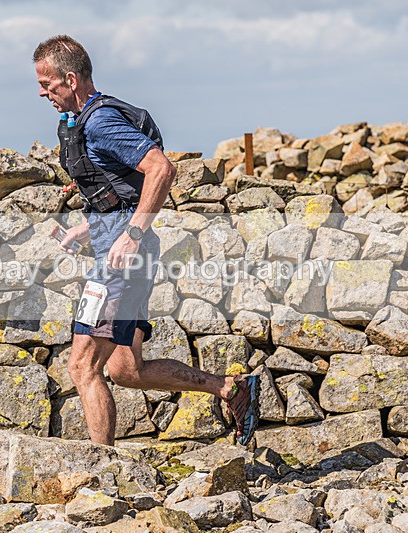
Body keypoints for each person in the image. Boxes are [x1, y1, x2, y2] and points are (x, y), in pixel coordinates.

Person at [32, 35, 259, 447]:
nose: (43, 93)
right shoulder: (80, 122)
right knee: (125, 370)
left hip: (122, 260)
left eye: (48, 85)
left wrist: (132, 234)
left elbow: (160, 169)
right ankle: (230, 388)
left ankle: (100, 471)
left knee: (82, 368)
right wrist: (90, 228)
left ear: (71, 78)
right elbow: (123, 191)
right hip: (121, 250)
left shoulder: (100, 122)